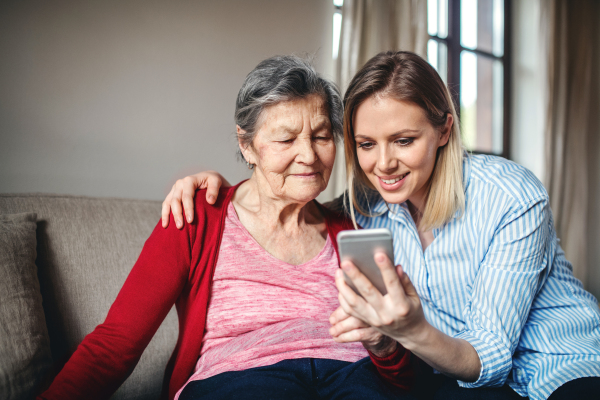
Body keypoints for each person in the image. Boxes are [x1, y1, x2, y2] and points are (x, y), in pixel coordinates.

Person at [162, 51, 600, 400]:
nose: (384, 164)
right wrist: (224, 191)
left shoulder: (510, 195)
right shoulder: (362, 206)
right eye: (366, 144)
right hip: (448, 375)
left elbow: (490, 358)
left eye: (404, 141)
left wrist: (409, 332)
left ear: (444, 129)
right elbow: (292, 203)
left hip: (557, 363)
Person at [38, 55, 416, 400]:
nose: (309, 155)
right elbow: (115, 344)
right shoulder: (196, 217)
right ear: (246, 145)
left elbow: (401, 374)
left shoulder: (352, 228)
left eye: (320, 136)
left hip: (350, 376)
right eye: (286, 138)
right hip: (242, 377)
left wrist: (383, 345)